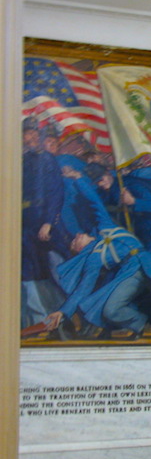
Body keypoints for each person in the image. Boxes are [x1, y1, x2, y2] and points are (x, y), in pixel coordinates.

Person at [21, 116, 66, 328]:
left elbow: (55, 193)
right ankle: (38, 321)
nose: (29, 137)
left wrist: (48, 222)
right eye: (26, 133)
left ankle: (67, 314)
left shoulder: (47, 159)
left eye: (33, 133)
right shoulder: (22, 160)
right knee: (29, 271)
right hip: (24, 224)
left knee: (54, 268)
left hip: (44, 224)